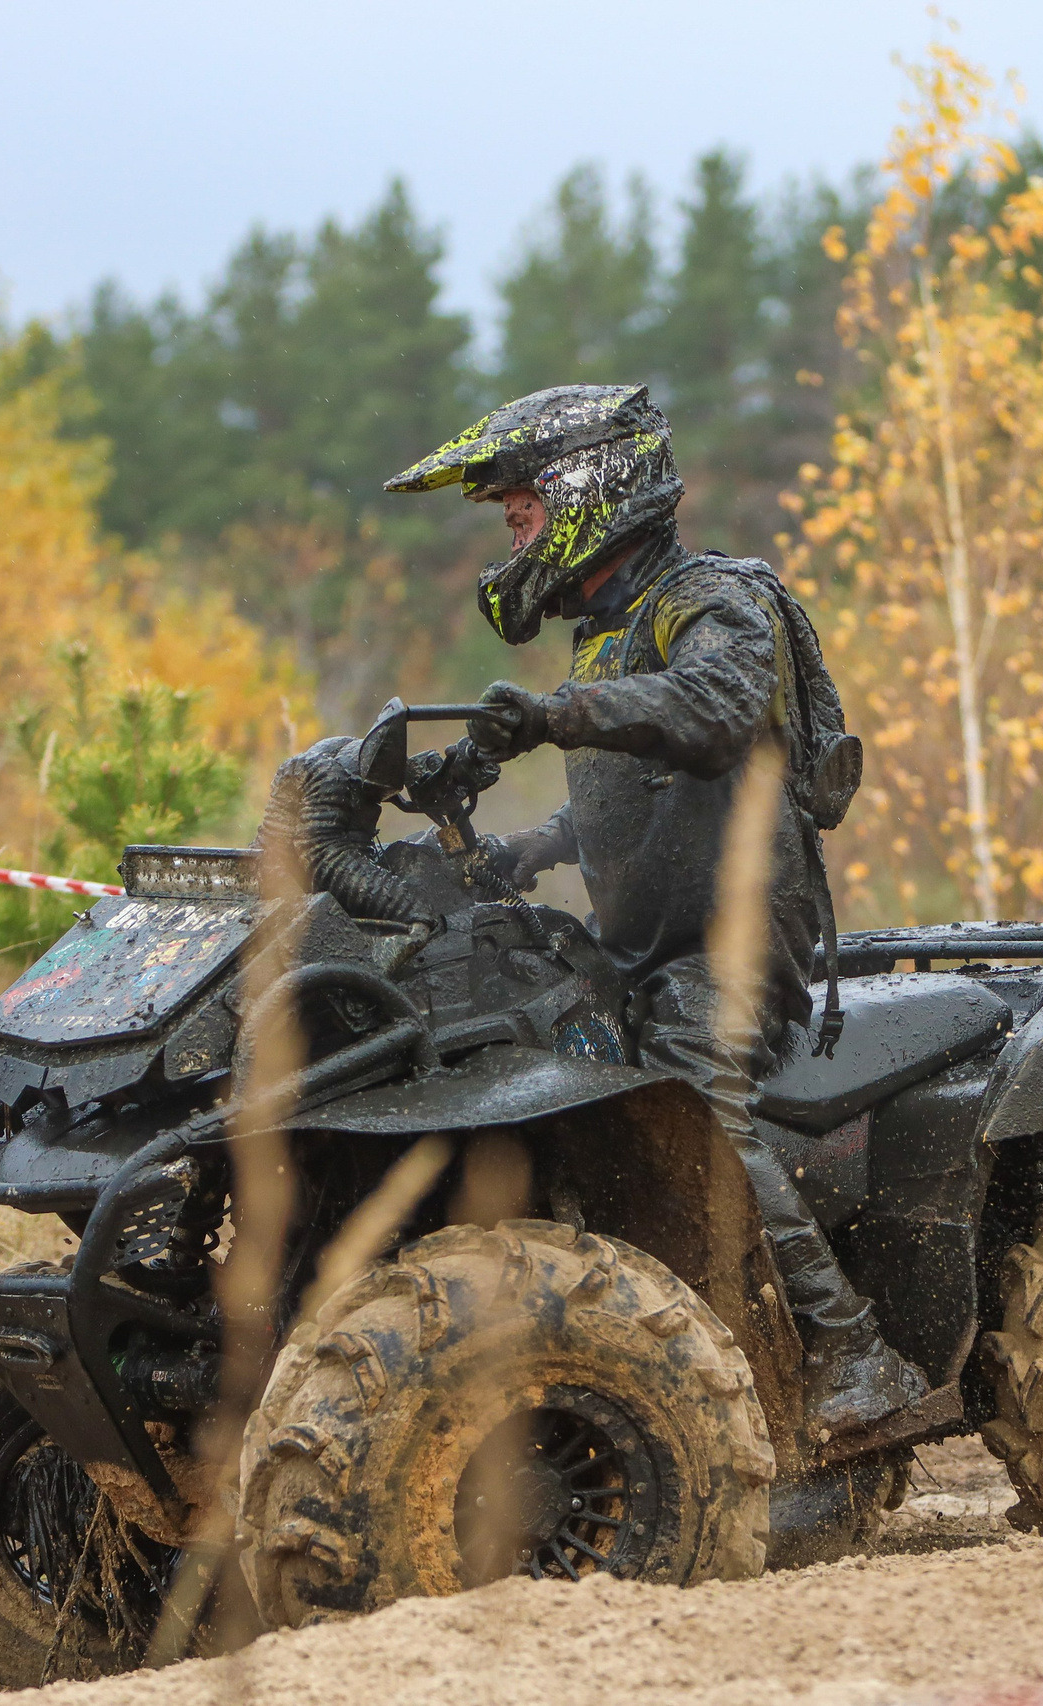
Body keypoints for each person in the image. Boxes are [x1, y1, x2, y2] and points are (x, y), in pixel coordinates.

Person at [384, 383, 929, 1435]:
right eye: (511, 520)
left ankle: (852, 1345)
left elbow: (721, 709)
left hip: (733, 940)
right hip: (644, 940)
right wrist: (520, 849)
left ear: (590, 489)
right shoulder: (610, 629)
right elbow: (635, 797)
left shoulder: (711, 599)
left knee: (689, 1090)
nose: (514, 536)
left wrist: (554, 714)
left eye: (522, 511)